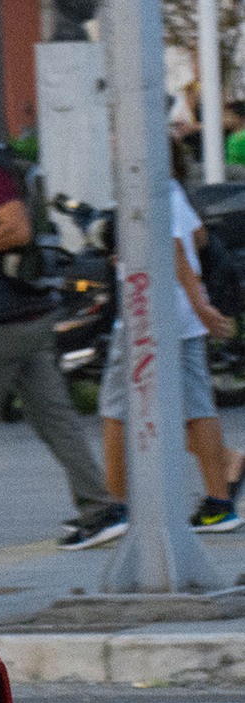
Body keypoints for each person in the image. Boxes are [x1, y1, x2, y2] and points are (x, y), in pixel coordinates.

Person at [0, 79, 118, 550]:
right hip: (29, 313)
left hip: (2, 318)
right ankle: (101, 509)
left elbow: (16, 230)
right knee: (56, 418)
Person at [93, 181, 245, 534]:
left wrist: (200, 304)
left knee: (116, 408)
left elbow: (173, 246)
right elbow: (199, 237)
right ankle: (219, 505)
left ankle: (116, 507)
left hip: (146, 311)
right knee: (197, 408)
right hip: (182, 317)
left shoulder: (142, 181)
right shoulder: (172, 187)